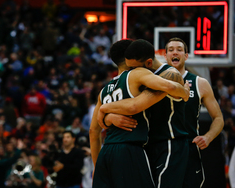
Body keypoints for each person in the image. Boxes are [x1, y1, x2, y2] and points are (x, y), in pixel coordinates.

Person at [90, 39, 189, 188]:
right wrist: (185, 92)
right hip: (129, 149)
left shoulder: (104, 90)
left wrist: (98, 166)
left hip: (106, 152)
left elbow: (93, 131)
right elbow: (165, 87)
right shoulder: (136, 73)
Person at [164, 37, 224, 188]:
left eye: (179, 49)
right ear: (165, 56)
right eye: (171, 50)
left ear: (186, 55)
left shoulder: (200, 83)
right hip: (163, 147)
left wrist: (208, 137)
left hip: (189, 147)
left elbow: (218, 118)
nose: (175, 53)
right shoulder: (155, 82)